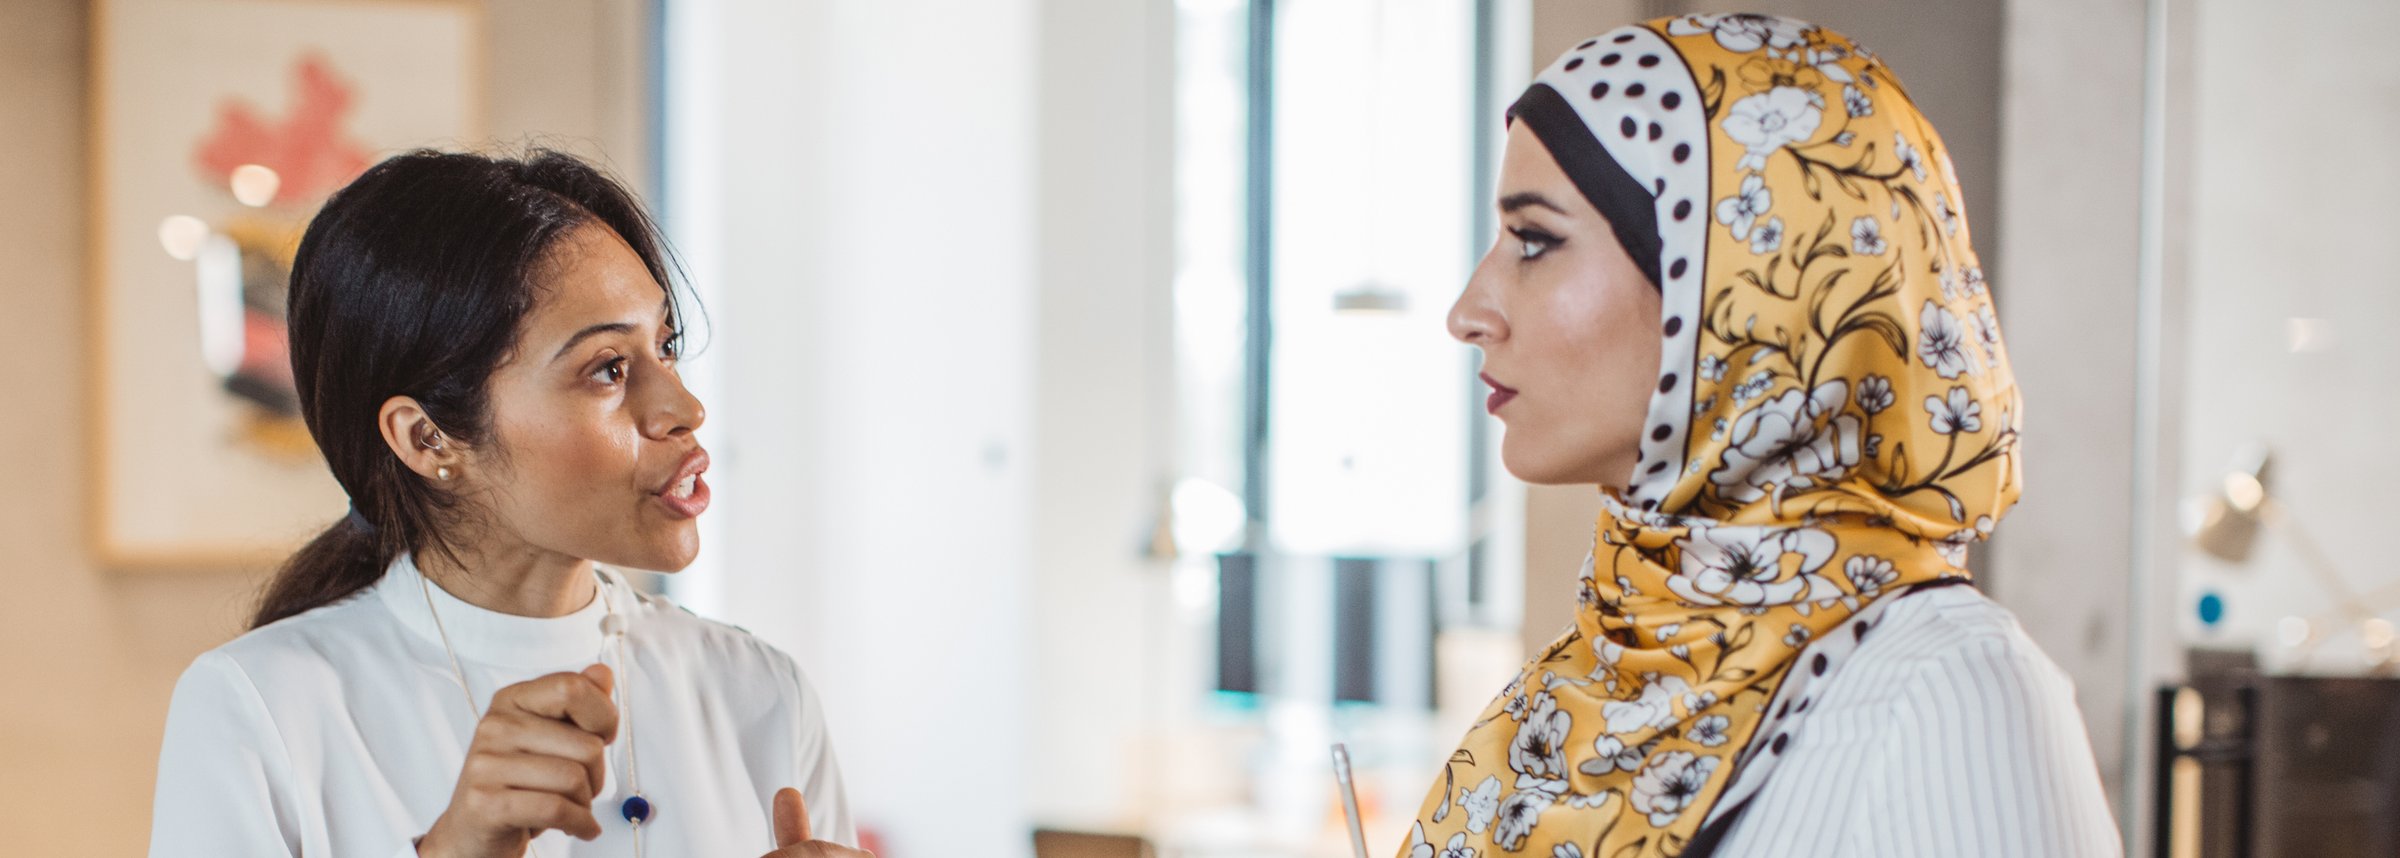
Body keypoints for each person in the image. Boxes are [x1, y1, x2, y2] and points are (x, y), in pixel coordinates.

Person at [1403, 14, 2118, 857]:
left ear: (1735, 292)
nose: (1468, 312)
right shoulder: (1586, 685)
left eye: (1534, 240)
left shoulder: (1944, 692)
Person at [148, 150, 870, 858]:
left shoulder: (761, 694)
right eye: (608, 369)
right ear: (429, 438)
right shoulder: (260, 707)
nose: (684, 408)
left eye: (667, 346)